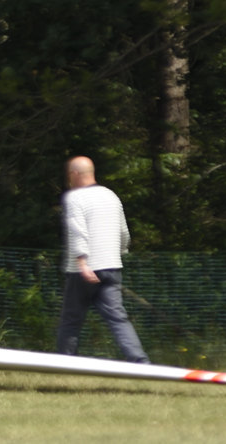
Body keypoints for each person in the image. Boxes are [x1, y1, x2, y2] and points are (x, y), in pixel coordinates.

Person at [56, 156, 149, 364]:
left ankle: (64, 364)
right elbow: (124, 231)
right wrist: (120, 252)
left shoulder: (74, 198)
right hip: (112, 266)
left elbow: (77, 231)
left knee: (71, 320)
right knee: (118, 319)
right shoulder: (111, 196)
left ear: (74, 174)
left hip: (84, 270)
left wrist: (82, 262)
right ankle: (140, 362)